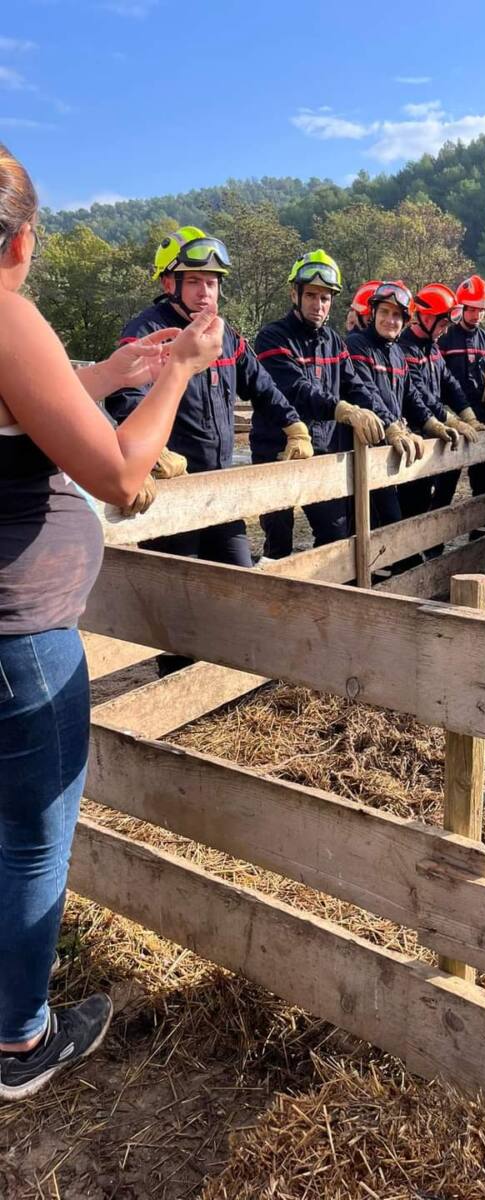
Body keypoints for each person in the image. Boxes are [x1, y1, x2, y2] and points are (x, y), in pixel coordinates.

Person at [0, 144, 223, 1097]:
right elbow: (124, 479)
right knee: (32, 839)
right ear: (20, 241)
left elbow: (21, 413)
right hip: (22, 638)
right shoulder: (5, 316)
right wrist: (174, 371)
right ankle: (19, 1039)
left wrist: (97, 375)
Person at [106, 227, 313, 573]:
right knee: (177, 593)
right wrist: (148, 455)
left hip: (219, 490)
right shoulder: (147, 332)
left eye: (212, 283)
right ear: (168, 284)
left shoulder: (225, 335)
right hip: (172, 491)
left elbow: (262, 385)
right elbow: (125, 396)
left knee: (240, 580)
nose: (205, 293)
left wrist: (294, 425)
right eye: (195, 282)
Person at [253, 251, 385, 556]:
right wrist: (343, 410)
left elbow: (355, 384)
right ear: (294, 294)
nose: (319, 304)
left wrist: (388, 422)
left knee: (334, 531)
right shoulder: (272, 337)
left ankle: (321, 592)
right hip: (278, 451)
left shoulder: (334, 341)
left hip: (323, 451)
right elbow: (296, 388)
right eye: (311, 295)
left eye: (325, 297)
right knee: (279, 537)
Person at [345, 280, 435, 573]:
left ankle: (388, 575)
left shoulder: (397, 353)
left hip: (390, 451)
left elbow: (411, 395)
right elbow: (364, 391)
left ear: (405, 320)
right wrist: (391, 425)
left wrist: (433, 422)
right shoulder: (357, 346)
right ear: (372, 313)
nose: (390, 320)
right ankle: (393, 578)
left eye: (397, 315)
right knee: (376, 520)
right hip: (364, 450)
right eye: (384, 312)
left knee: (392, 517)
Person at [399, 283, 485, 556]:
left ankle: (431, 552)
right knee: (412, 504)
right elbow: (419, 395)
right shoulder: (405, 349)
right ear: (425, 318)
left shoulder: (432, 349)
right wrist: (451, 420)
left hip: (432, 435)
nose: (445, 330)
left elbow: (450, 385)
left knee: (433, 497)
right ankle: (411, 559)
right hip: (412, 435)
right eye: (442, 324)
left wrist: (469, 416)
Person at [439, 275, 485, 534]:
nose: (477, 315)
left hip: (484, 422)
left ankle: (478, 540)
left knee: (482, 485)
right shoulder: (445, 340)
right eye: (473, 309)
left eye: (481, 310)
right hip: (451, 420)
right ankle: (434, 545)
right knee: (444, 484)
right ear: (462, 307)